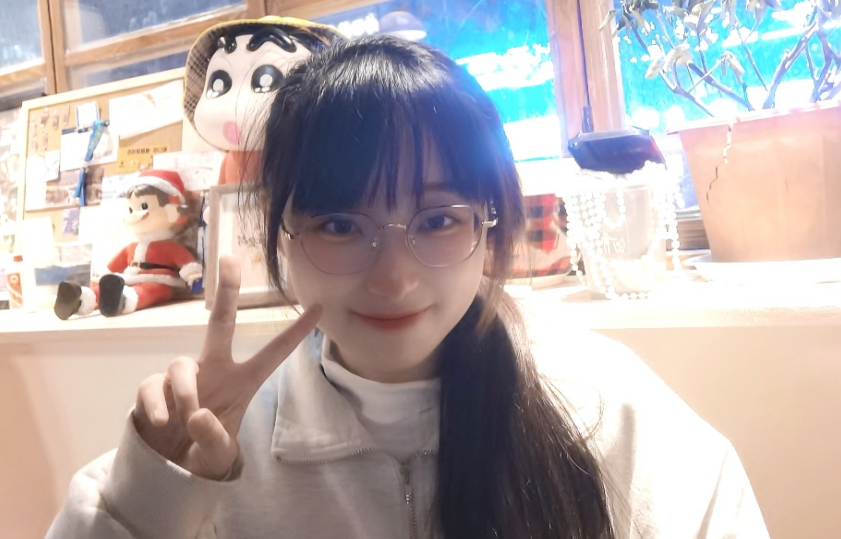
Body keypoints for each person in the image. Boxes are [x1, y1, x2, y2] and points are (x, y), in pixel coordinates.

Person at [46, 36, 769, 539]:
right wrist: (157, 494)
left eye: (437, 219)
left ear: (489, 223)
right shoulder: (213, 440)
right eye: (339, 225)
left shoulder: (605, 409)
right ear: (280, 237)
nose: (394, 277)